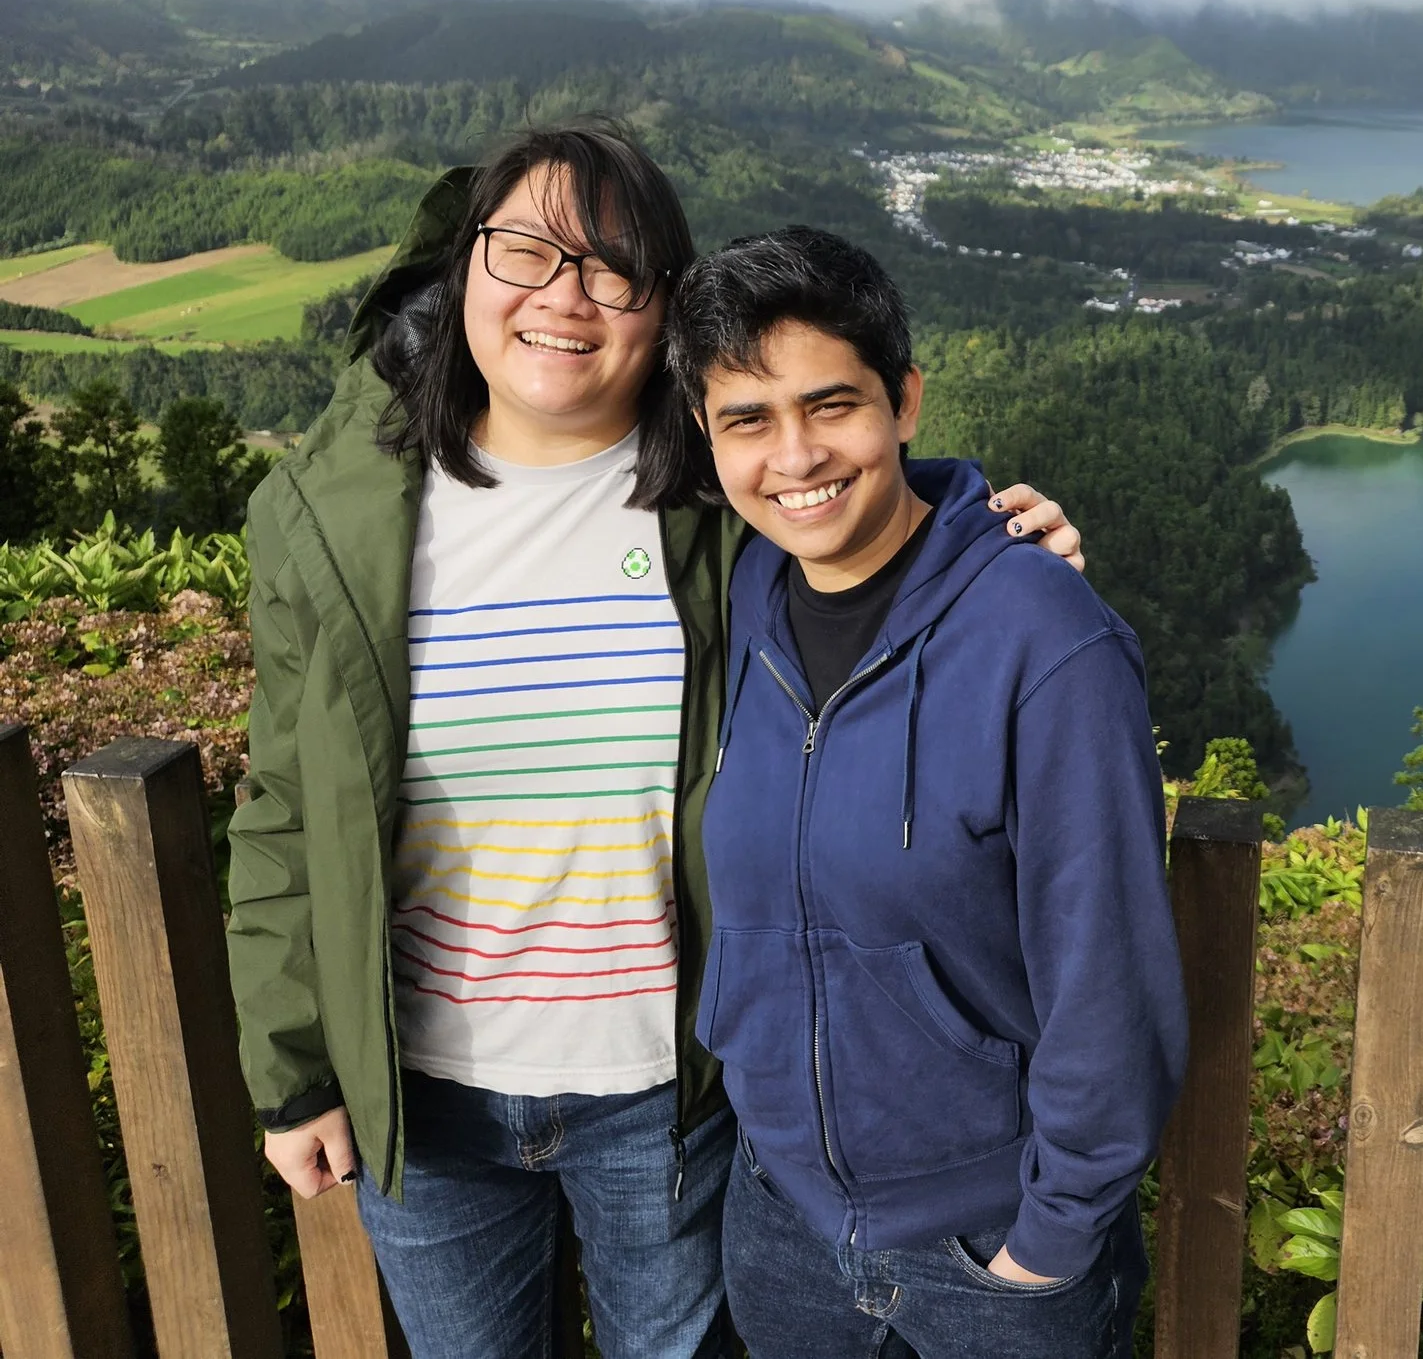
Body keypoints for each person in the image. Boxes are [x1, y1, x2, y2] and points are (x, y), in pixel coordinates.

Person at [228, 124, 1084, 1359]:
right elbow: (284, 805)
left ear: (664, 310)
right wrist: (292, 1067)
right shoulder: (338, 517)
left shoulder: (722, 513)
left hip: (669, 1096)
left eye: (612, 268)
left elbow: (843, 488)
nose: (562, 297)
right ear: (461, 270)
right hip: (424, 1097)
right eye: (525, 250)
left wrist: (986, 537)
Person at [668, 226, 1185, 1359]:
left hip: (989, 1250)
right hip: (782, 1227)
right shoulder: (745, 592)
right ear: (708, 445)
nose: (794, 457)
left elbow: (1109, 979)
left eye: (831, 405)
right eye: (747, 420)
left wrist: (1045, 1248)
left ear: (904, 402)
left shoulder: (1042, 637)